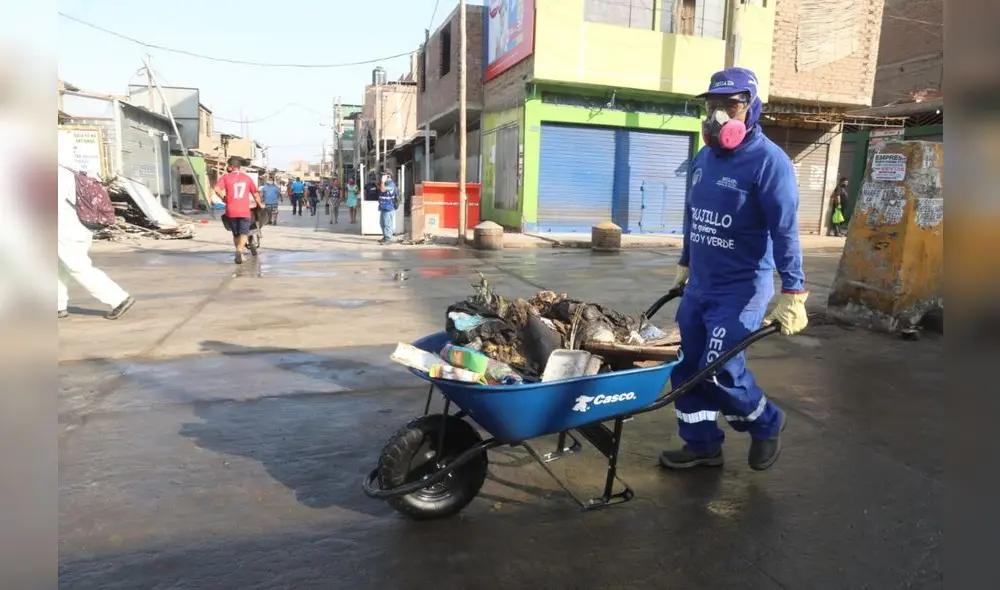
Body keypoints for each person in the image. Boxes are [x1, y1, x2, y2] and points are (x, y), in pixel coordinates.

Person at [661, 67, 808, 472]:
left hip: (740, 290)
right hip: (700, 287)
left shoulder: (769, 163)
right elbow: (694, 215)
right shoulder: (703, 158)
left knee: (720, 369)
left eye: (731, 105)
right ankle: (702, 444)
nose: (719, 116)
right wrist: (686, 263)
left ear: (752, 107)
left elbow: (785, 231)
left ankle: (767, 422)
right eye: (712, 106)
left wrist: (793, 291)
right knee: (687, 368)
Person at [57, 165, 135, 320]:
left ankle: (118, 299)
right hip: (79, 226)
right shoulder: (65, 170)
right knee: (59, 266)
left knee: (77, 267)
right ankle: (58, 305)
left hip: (67, 231)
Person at [215, 156, 264, 264]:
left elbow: (217, 189)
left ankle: (239, 254)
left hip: (231, 210)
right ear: (238, 167)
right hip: (244, 210)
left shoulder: (225, 178)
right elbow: (255, 194)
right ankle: (239, 250)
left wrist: (224, 198)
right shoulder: (246, 178)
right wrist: (260, 205)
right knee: (244, 233)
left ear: (232, 167)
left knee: (235, 234)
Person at [377, 173, 399, 245]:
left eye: (384, 175)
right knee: (382, 223)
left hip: (389, 207)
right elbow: (380, 188)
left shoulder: (391, 184)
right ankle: (385, 237)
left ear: (388, 176)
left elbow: (383, 190)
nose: (382, 177)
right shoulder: (386, 183)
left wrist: (383, 181)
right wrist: (382, 182)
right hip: (383, 206)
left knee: (387, 224)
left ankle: (388, 239)